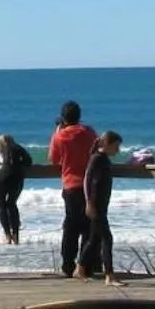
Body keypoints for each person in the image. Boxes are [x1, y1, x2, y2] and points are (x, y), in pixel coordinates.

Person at [48, 102, 99, 277]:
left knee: (70, 227)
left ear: (63, 117)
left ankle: (68, 265)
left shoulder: (60, 136)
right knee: (88, 226)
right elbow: (97, 151)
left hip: (70, 185)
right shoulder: (89, 132)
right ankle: (86, 265)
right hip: (90, 184)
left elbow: (53, 159)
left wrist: (57, 132)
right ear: (79, 115)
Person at [79, 131, 124, 281]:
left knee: (94, 239)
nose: (118, 150)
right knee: (107, 238)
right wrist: (89, 203)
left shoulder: (104, 159)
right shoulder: (97, 158)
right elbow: (87, 180)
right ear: (107, 145)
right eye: (116, 146)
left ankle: (80, 268)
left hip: (102, 204)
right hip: (96, 204)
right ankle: (109, 275)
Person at [0, 133, 32, 245]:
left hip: (1, 175)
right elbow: (29, 161)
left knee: (1, 205)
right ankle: (16, 235)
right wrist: (18, 163)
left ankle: (7, 235)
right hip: (17, 175)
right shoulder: (18, 147)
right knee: (12, 203)